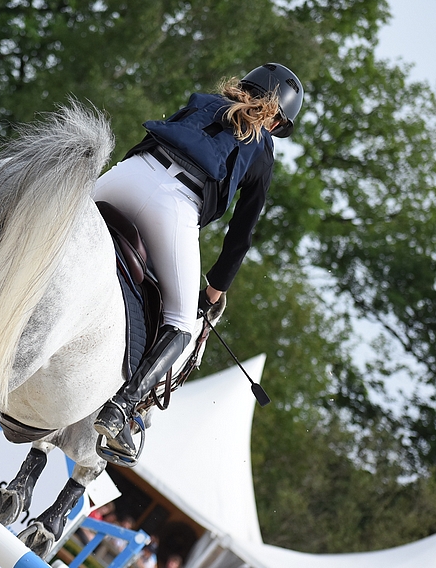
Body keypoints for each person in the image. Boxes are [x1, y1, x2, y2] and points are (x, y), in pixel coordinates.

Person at [92, 63, 304, 463]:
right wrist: (214, 291)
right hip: (173, 207)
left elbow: (146, 141)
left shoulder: (203, 101)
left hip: (125, 175)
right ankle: (121, 408)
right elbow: (240, 237)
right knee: (181, 323)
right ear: (275, 119)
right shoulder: (263, 150)